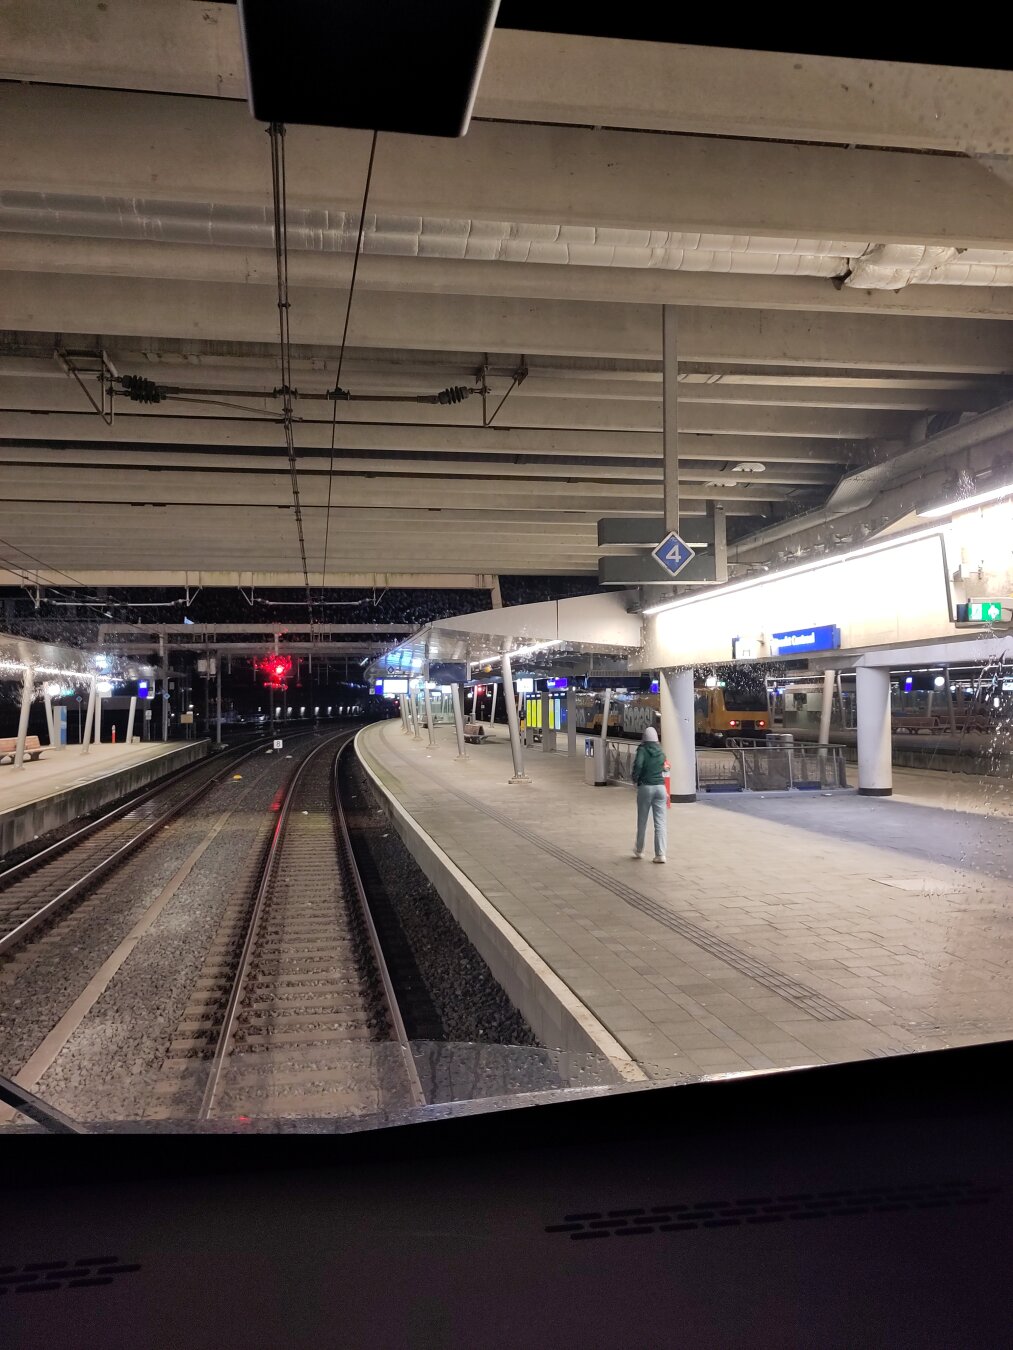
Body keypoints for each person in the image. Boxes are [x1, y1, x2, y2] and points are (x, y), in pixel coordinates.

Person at [630, 724, 667, 863]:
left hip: (646, 787)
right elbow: (665, 765)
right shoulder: (660, 751)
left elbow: (638, 765)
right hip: (661, 788)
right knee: (661, 823)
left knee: (642, 820)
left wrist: (635, 778)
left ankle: (639, 850)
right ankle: (661, 854)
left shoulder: (643, 750)